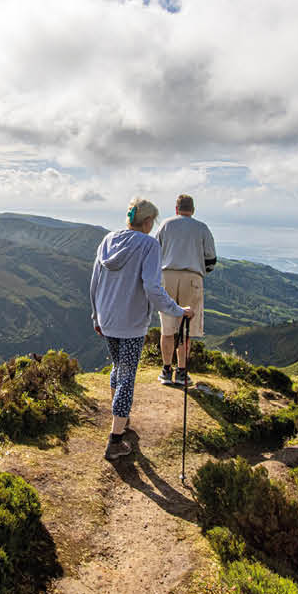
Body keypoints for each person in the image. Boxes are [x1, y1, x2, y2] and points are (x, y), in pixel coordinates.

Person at [91, 197, 188, 460]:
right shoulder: (149, 245)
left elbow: (95, 282)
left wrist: (96, 316)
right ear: (147, 221)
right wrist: (177, 310)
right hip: (131, 323)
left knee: (117, 368)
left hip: (107, 318)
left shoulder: (108, 240)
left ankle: (120, 420)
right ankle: (115, 440)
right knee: (127, 377)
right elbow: (152, 288)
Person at [155, 193, 218, 388]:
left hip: (167, 277)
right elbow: (211, 259)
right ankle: (182, 372)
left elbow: (155, 251)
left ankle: (166, 370)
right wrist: (200, 272)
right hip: (192, 277)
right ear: (193, 210)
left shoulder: (166, 225)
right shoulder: (201, 228)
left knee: (167, 328)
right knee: (185, 328)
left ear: (176, 208)